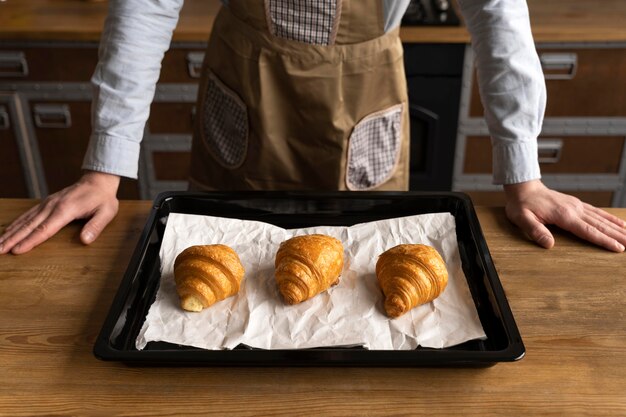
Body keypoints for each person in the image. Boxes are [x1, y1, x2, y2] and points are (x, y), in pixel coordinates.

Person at [1, 0, 625, 255]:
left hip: (366, 97)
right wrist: (102, 171)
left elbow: (498, 15)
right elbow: (145, 5)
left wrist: (524, 177)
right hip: (246, 90)